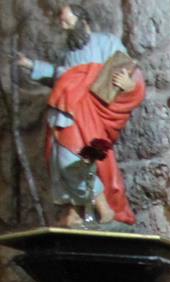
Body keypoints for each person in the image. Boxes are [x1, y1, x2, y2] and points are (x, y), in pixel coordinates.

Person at [14, 4, 146, 225]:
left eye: (67, 22)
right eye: (62, 24)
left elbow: (127, 70)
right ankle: (76, 210)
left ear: (83, 21)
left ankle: (103, 207)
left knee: (74, 160)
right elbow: (62, 77)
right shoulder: (69, 55)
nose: (64, 27)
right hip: (64, 113)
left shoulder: (106, 43)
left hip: (87, 117)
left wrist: (129, 85)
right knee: (59, 163)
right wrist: (29, 64)